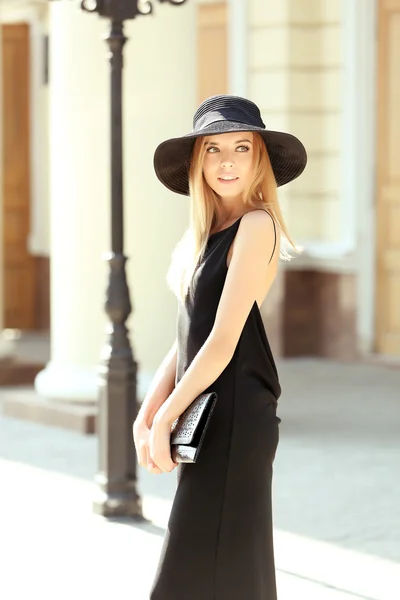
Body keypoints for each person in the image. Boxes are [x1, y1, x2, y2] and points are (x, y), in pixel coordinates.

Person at [133, 94, 307, 600]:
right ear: (196, 161)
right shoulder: (205, 234)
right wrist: (148, 410)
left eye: (241, 148)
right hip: (212, 411)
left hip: (235, 418)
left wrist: (167, 418)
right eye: (213, 149)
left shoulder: (256, 226)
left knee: (206, 566)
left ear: (259, 160)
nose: (226, 162)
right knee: (217, 566)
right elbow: (188, 332)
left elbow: (223, 340)